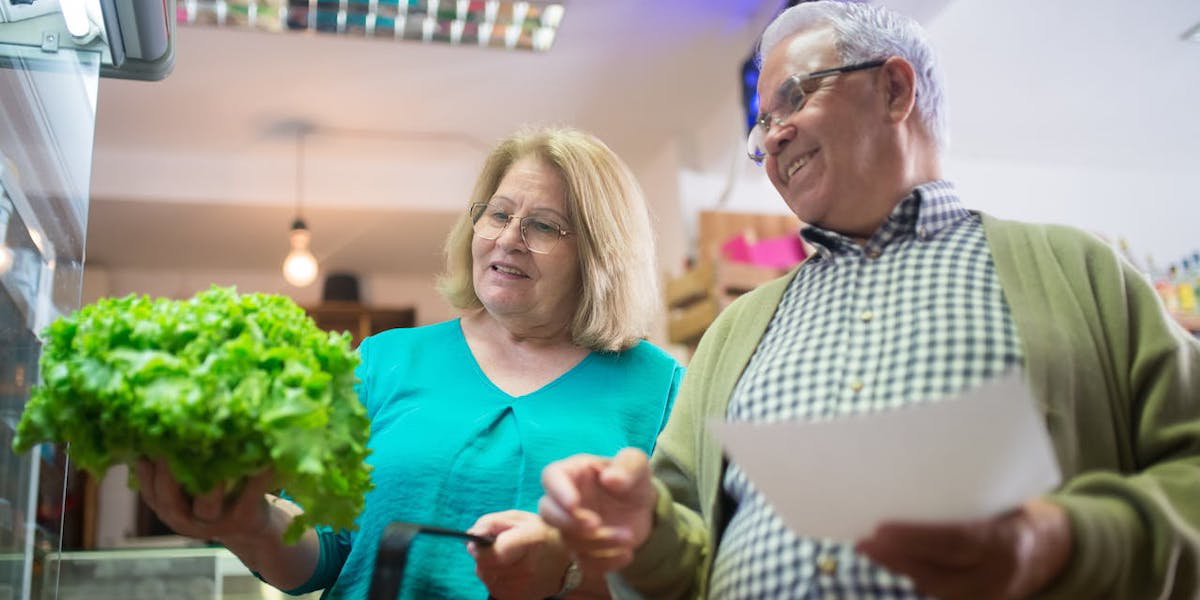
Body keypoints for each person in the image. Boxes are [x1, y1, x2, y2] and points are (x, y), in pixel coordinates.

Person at [538, 2, 1200, 599]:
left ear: (894, 88)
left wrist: (1065, 539)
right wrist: (641, 531)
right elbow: (683, 551)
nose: (770, 138)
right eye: (761, 124)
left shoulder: (1080, 272)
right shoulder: (735, 332)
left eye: (794, 98)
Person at [135, 126, 683, 599]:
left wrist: (567, 571)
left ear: (599, 253)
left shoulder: (660, 390)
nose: (508, 239)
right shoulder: (384, 360)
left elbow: (682, 577)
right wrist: (249, 522)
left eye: (543, 226)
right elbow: (323, 553)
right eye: (497, 213)